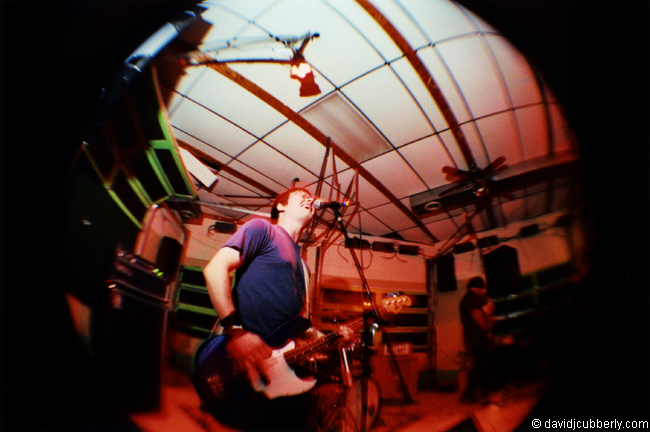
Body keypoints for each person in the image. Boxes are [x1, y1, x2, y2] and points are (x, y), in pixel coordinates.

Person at [201, 187, 350, 431]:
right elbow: (215, 270)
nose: (308, 199)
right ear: (280, 206)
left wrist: (333, 338)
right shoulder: (262, 229)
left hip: (280, 373)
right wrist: (236, 330)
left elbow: (302, 327)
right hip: (243, 362)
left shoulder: (304, 268)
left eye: (310, 198)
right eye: (301, 196)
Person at [459, 276, 499, 404]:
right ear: (478, 287)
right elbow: (477, 316)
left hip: (471, 338)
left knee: (481, 365)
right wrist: (487, 330)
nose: (483, 291)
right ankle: (470, 394)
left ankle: (479, 392)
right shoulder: (474, 298)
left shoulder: (465, 299)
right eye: (482, 288)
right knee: (481, 366)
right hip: (479, 338)